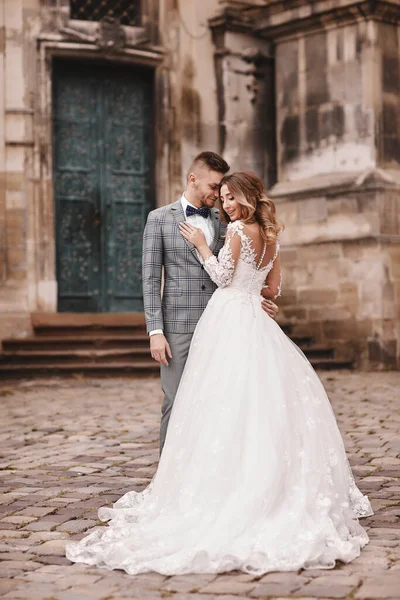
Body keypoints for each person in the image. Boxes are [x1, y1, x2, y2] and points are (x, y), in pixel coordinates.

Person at [66, 171, 372, 575]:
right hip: (256, 322)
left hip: (228, 318)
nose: (225, 204)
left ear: (246, 197)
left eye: (230, 197)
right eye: (222, 197)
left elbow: (222, 278)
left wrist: (200, 247)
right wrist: (258, 294)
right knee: (257, 402)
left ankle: (224, 487)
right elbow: (273, 289)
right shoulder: (272, 237)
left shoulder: (238, 232)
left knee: (221, 400)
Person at [141, 151, 278, 453]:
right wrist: (155, 331)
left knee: (219, 405)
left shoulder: (228, 219)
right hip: (179, 326)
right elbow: (151, 280)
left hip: (223, 326)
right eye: (214, 187)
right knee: (175, 401)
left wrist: (256, 299)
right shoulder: (159, 219)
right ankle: (168, 475)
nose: (218, 196)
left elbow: (242, 269)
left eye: (222, 190)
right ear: (193, 179)